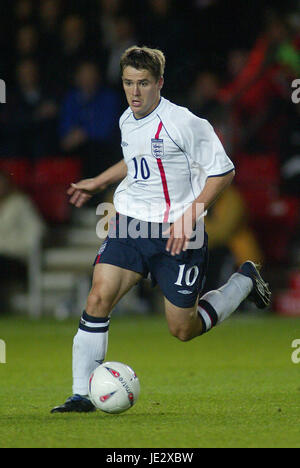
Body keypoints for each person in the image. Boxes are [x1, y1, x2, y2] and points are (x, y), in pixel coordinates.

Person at [51, 46, 271, 413]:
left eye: (143, 83)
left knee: (182, 329)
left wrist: (190, 215)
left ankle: (243, 281)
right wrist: (98, 180)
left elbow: (224, 171)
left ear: (160, 83)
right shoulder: (127, 119)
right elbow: (135, 159)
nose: (135, 92)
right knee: (97, 298)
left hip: (177, 234)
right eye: (128, 83)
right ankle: (81, 394)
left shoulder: (185, 123)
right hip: (130, 225)